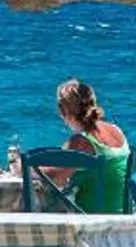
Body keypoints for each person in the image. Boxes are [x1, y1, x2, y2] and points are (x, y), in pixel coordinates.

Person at [54, 77, 131, 213]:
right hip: (124, 214)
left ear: (64, 112)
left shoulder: (81, 142)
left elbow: (56, 178)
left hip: (94, 220)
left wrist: (20, 168)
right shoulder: (116, 130)